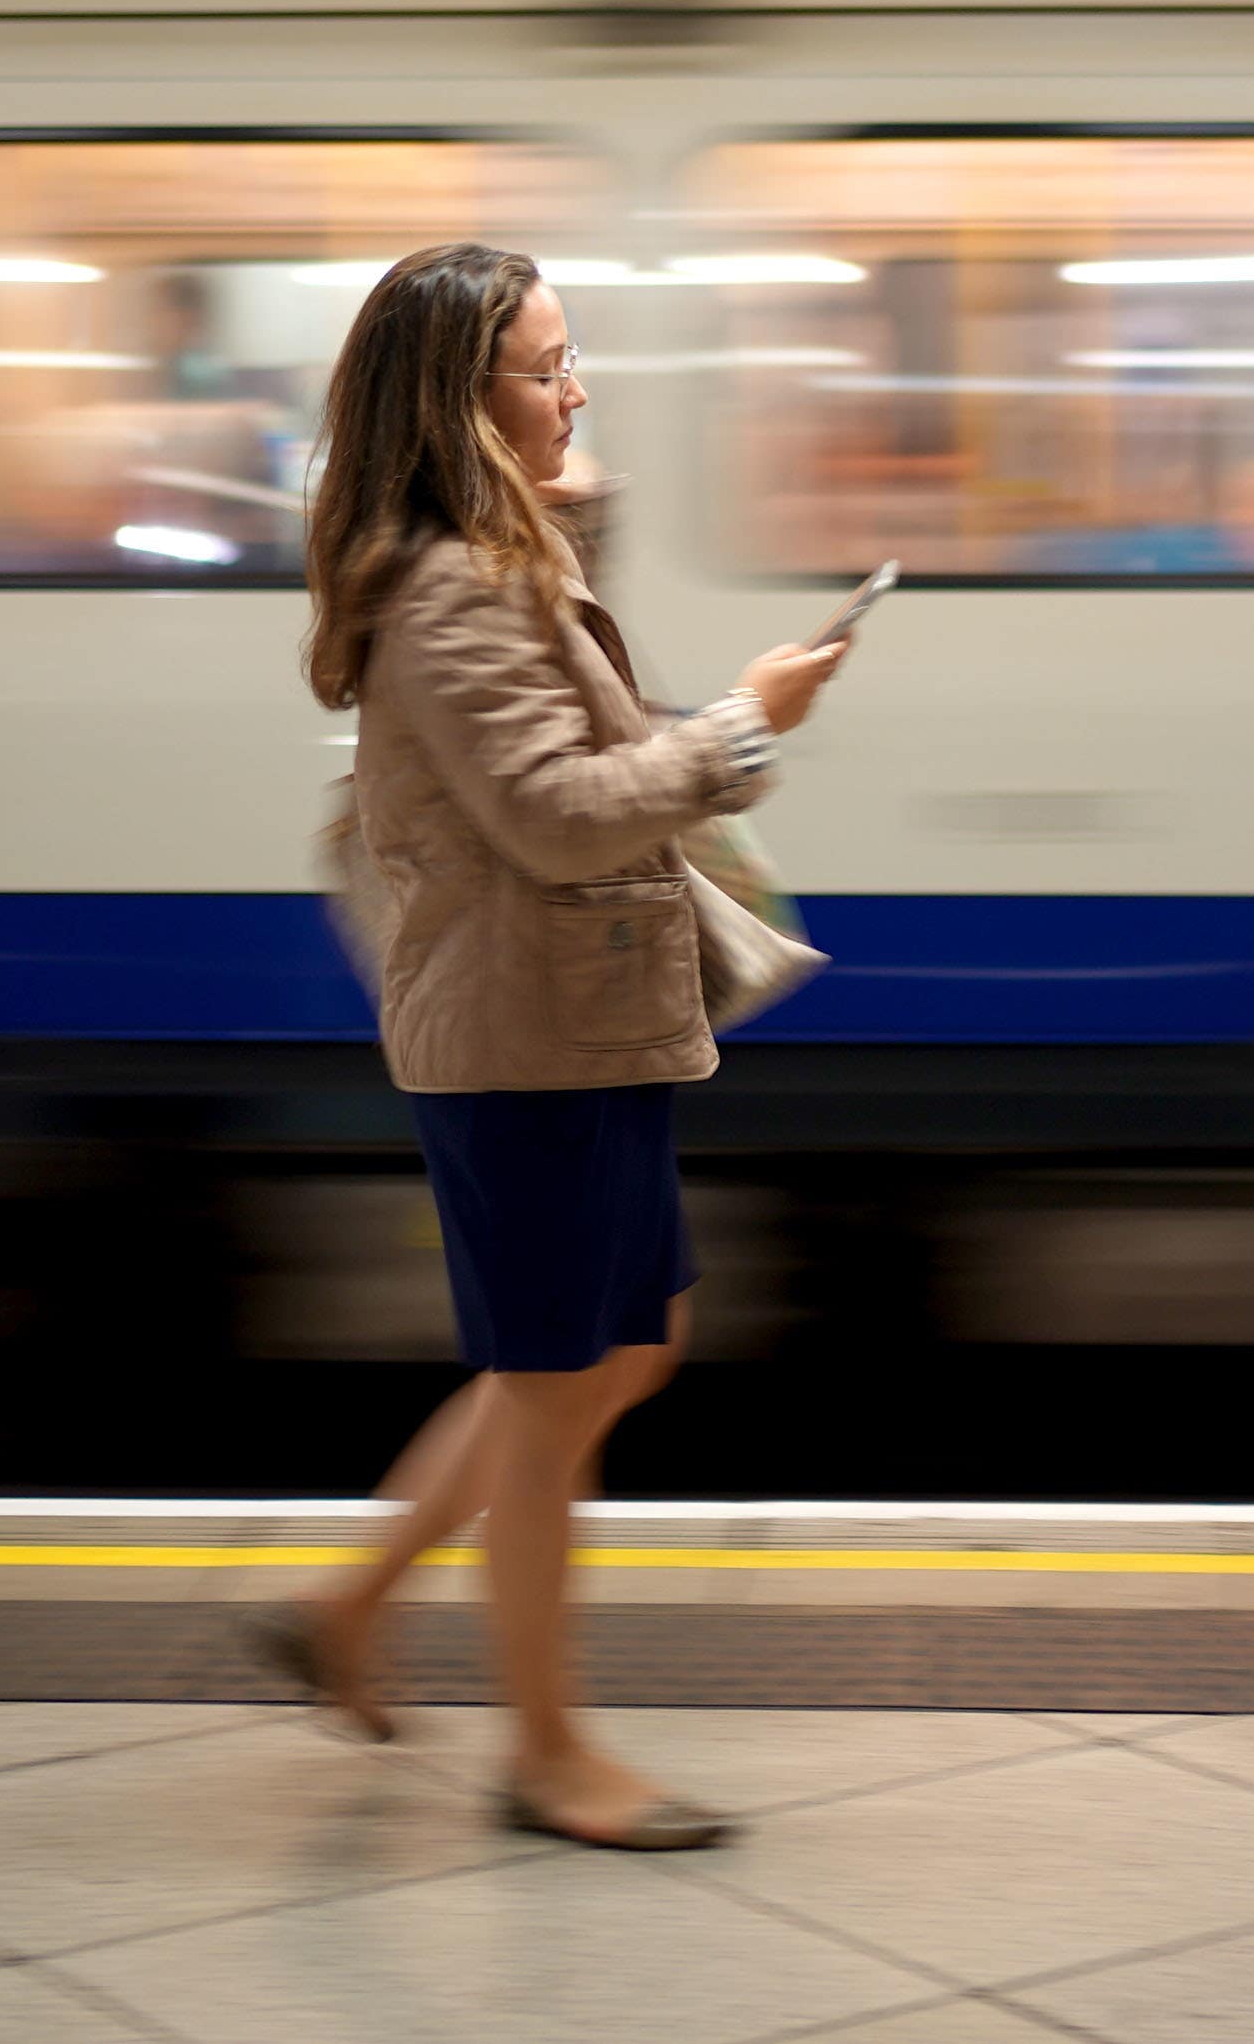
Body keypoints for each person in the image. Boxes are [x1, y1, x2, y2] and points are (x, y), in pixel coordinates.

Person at [257, 241, 850, 1850]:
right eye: (546, 366)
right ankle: (545, 1754)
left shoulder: (492, 561)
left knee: (620, 1352)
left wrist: (559, 469)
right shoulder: (446, 590)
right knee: (550, 1390)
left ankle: (347, 1607)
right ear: (460, 402)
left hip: (585, 1023)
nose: (576, 392)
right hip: (524, 1041)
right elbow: (556, 810)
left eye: (573, 360)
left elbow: (562, 662)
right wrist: (741, 729)